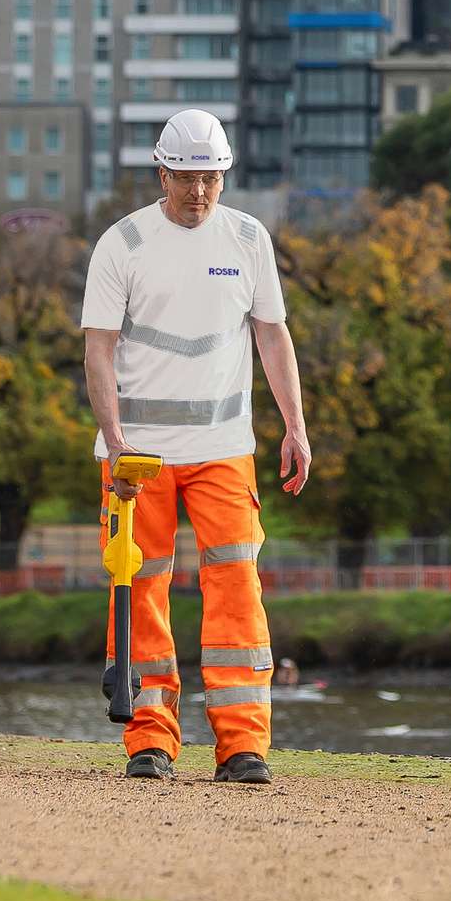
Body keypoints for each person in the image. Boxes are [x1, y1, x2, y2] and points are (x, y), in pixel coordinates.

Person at [83, 108, 312, 784]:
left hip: (223, 449)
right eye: (185, 177)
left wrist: (295, 426)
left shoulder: (248, 239)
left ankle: (243, 745)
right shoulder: (122, 244)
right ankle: (150, 740)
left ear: (224, 175)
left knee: (237, 587)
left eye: (210, 177)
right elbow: (97, 350)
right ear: (162, 173)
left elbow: (272, 336)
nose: (198, 191)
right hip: (138, 456)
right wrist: (117, 443)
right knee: (140, 587)